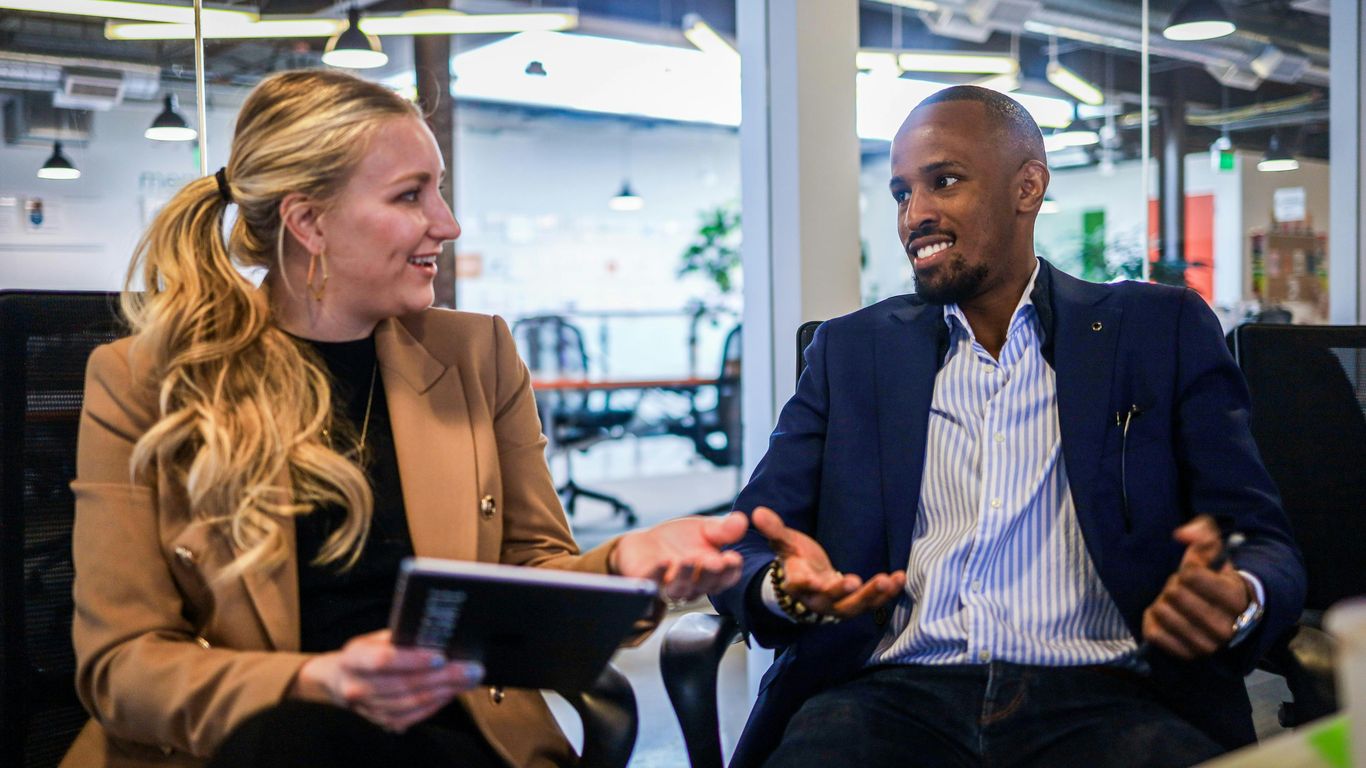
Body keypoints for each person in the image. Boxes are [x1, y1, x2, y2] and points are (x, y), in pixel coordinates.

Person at [64, 68, 749, 768]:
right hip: (257, 745)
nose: (447, 224)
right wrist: (314, 682)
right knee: (301, 738)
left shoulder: (476, 354)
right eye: (410, 195)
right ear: (309, 222)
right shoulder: (149, 382)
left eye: (439, 190)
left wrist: (623, 567)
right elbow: (121, 665)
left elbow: (527, 576)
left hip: (452, 740)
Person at [711, 85, 1306, 768]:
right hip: (887, 697)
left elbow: (1264, 543)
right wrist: (784, 588)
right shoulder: (851, 353)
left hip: (1110, 696)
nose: (915, 215)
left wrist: (1242, 595)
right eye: (903, 193)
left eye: (945, 181)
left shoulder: (1156, 332)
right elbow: (744, 544)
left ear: (1028, 188)